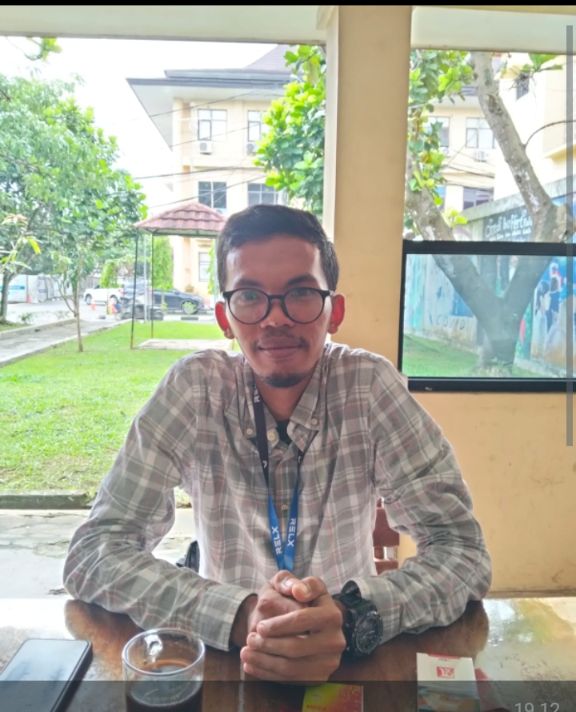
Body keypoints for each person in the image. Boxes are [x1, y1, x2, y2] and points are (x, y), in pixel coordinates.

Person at [64, 204, 491, 682]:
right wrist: (239, 614)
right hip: (224, 659)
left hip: (347, 657)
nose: (274, 319)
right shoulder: (195, 390)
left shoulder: (369, 388)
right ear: (225, 317)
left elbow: (463, 552)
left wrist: (351, 616)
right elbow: (94, 553)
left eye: (301, 293)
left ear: (335, 311)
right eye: (250, 296)